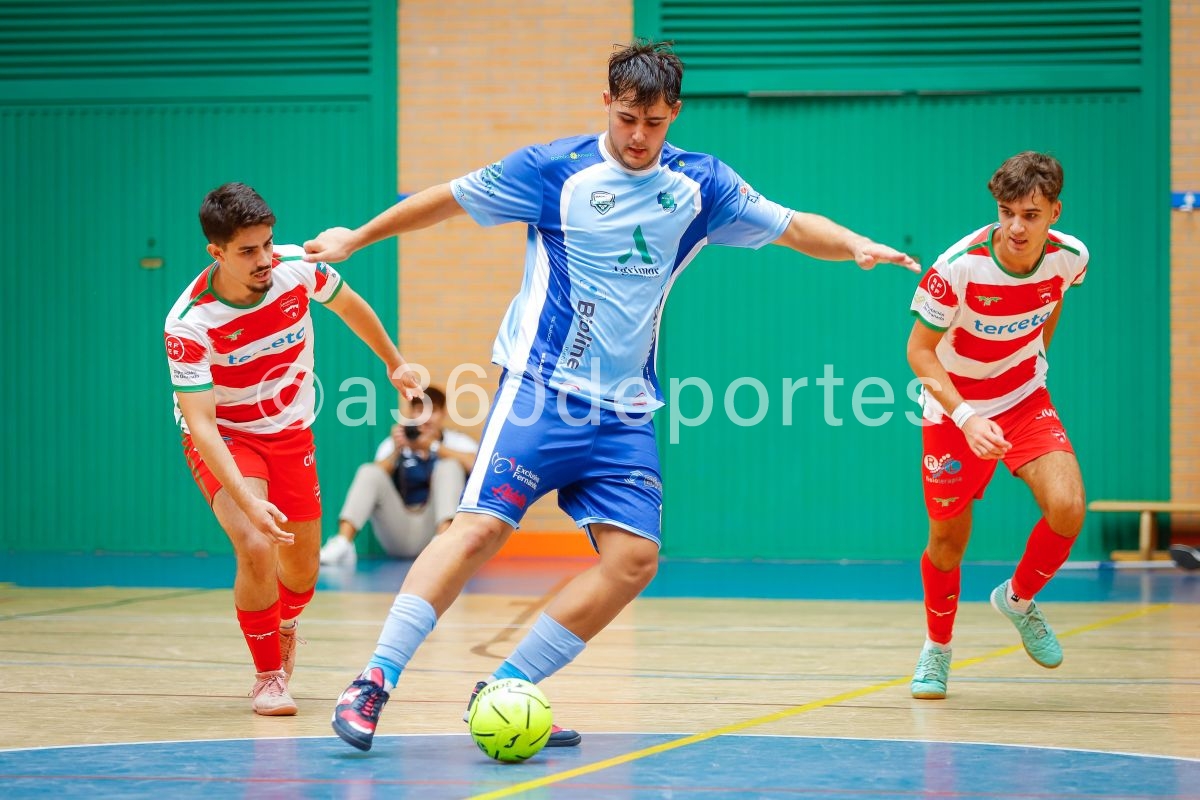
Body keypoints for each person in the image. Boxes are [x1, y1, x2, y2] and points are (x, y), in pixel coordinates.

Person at [303, 40, 918, 752]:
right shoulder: (553, 171)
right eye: (627, 118)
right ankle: (372, 682)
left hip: (625, 411)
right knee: (477, 530)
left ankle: (504, 687)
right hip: (540, 391)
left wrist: (855, 244)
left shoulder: (700, 185)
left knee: (634, 561)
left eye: (653, 123)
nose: (637, 137)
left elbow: (791, 225)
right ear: (607, 103)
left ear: (673, 114)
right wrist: (357, 239)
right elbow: (447, 199)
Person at [165, 182, 421, 715]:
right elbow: (203, 426)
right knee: (256, 542)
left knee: (301, 573)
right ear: (216, 252)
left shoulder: (296, 267)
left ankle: (284, 624)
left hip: (288, 430)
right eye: (247, 251)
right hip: (227, 434)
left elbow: (350, 307)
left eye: (266, 244)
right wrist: (246, 500)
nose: (264, 259)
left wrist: (394, 363)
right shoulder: (189, 323)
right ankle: (268, 677)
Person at [906, 152, 1089, 700]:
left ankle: (1018, 599)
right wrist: (966, 417)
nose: (1016, 227)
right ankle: (937, 649)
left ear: (1054, 212)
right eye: (1007, 213)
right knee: (947, 542)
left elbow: (1052, 300)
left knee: (1068, 507)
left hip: (1024, 399)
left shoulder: (1072, 258)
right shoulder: (957, 268)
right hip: (954, 410)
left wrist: (1037, 362)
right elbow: (919, 353)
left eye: (1030, 215)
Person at [319, 386, 479, 567]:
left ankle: (443, 543)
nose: (425, 418)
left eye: (432, 411)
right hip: (401, 529)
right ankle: (343, 542)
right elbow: (372, 476)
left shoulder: (457, 442)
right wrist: (397, 451)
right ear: (411, 413)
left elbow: (477, 467)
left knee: (450, 466)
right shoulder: (395, 444)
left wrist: (434, 447)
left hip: (438, 528)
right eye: (420, 410)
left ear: (443, 413)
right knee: (369, 470)